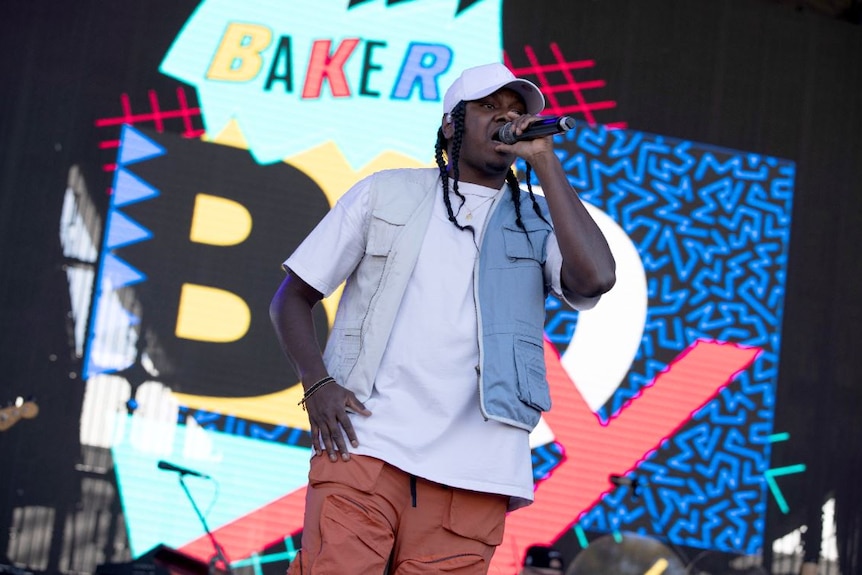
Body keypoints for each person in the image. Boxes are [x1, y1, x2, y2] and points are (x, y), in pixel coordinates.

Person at [270, 62, 616, 575]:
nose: (508, 118)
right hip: (367, 441)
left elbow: (596, 280)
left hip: (477, 468)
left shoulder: (540, 222)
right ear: (451, 124)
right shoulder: (383, 193)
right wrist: (316, 383)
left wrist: (544, 162)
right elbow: (291, 298)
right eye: (490, 108)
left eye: (518, 111)